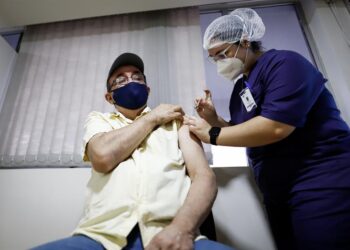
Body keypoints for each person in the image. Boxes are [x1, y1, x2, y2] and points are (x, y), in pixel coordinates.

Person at [184, 8, 350, 250]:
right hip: (278, 193)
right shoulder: (241, 86)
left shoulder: (286, 64)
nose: (219, 63)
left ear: (244, 41)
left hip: (321, 181)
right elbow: (243, 131)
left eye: (222, 54)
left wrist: (211, 134)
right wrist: (214, 119)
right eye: (214, 58)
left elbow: (275, 127)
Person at [31, 53, 233, 250]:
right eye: (120, 79)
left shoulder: (176, 122)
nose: (131, 81)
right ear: (109, 97)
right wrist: (152, 117)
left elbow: (204, 177)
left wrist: (182, 230)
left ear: (147, 89)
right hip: (101, 237)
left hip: (170, 233)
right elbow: (102, 157)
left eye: (137, 77)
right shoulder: (99, 121)